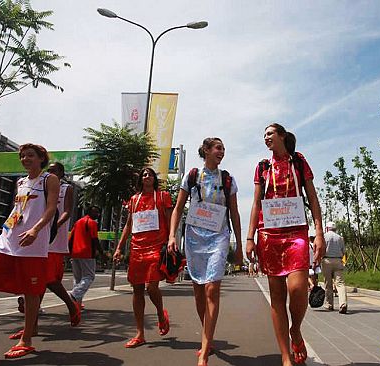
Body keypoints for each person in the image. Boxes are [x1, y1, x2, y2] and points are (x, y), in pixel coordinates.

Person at [0, 143, 59, 364]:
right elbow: (18, 211)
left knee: (30, 291)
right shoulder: (20, 182)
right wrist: (7, 230)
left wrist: (35, 229)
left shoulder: (49, 180)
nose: (25, 159)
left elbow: (51, 208)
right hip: (8, 239)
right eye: (23, 156)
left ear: (41, 158)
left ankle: (26, 339)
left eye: (30, 155)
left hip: (33, 244)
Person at [246, 123, 326, 366]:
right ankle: (285, 356)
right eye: (264, 135)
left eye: (270, 133)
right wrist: (250, 238)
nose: (266, 138)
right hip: (269, 235)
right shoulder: (262, 167)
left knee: (298, 288)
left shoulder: (299, 162)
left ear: (282, 136)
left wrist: (319, 233)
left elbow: (312, 198)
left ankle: (296, 329)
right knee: (277, 296)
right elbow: (256, 203)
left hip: (296, 234)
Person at [168, 137, 243, 366]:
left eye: (224, 148)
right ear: (207, 150)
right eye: (218, 147)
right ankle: (207, 337)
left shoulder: (227, 179)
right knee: (199, 290)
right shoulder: (191, 176)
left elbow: (235, 213)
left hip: (219, 236)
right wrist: (172, 236)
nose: (222, 151)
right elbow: (178, 208)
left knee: (212, 289)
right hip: (195, 238)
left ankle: (204, 350)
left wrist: (239, 244)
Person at [10, 162, 80, 340]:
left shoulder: (66, 189)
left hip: (54, 240)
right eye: (49, 170)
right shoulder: (36, 185)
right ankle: (31, 327)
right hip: (34, 236)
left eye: (54, 170)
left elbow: (66, 212)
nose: (50, 173)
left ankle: (71, 305)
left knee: (48, 280)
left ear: (62, 173)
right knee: (37, 280)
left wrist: (53, 225)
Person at [114, 167, 173, 348]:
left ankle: (161, 315)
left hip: (156, 247)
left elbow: (171, 221)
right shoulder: (134, 200)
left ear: (155, 179)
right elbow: (128, 225)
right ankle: (139, 333)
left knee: (152, 286)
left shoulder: (163, 197)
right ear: (141, 180)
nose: (147, 177)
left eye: (150, 174)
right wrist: (119, 248)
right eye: (144, 175)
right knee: (137, 290)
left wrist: (171, 240)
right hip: (137, 249)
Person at [69, 205, 101, 308]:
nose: (97, 214)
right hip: (87, 253)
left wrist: (69, 252)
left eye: (98, 212)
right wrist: (101, 253)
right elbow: (94, 239)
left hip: (75, 253)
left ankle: (76, 303)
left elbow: (71, 238)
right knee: (89, 276)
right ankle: (74, 294)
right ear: (89, 212)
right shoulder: (92, 223)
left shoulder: (78, 222)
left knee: (77, 278)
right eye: (95, 212)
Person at [321, 221, 348, 314]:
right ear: (335, 229)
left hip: (326, 261)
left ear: (327, 228)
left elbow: (320, 249)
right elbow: (344, 251)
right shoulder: (340, 238)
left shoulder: (323, 237)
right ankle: (343, 304)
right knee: (340, 283)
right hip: (338, 261)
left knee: (328, 284)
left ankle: (329, 305)